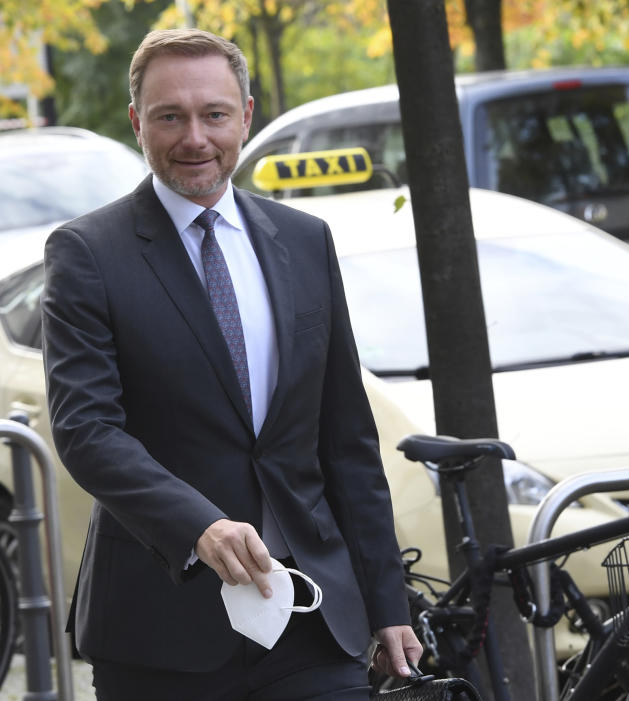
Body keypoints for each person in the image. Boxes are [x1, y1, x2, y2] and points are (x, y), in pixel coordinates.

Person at [42, 28, 420, 700]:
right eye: (170, 116)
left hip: (312, 619)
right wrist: (199, 525)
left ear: (245, 115)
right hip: (160, 628)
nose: (195, 138)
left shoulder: (305, 242)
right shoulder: (87, 254)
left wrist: (387, 602)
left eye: (214, 114)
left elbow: (346, 440)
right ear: (137, 123)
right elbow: (87, 430)